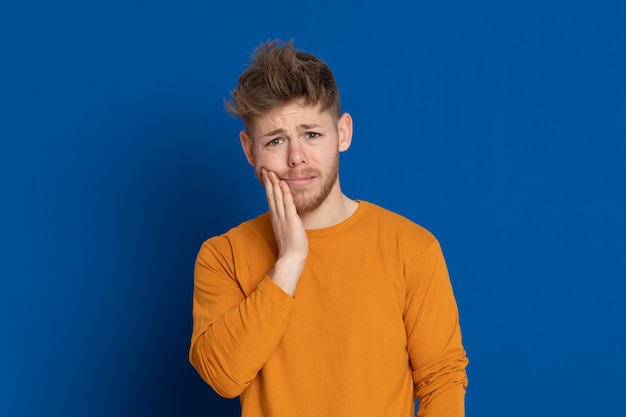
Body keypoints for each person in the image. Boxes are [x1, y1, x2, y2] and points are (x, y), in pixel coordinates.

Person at [189, 39, 469, 417]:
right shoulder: (223, 256)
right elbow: (224, 376)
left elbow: (441, 379)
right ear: (250, 151)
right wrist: (289, 262)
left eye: (312, 134)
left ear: (343, 133)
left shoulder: (412, 247)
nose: (296, 157)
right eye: (276, 140)